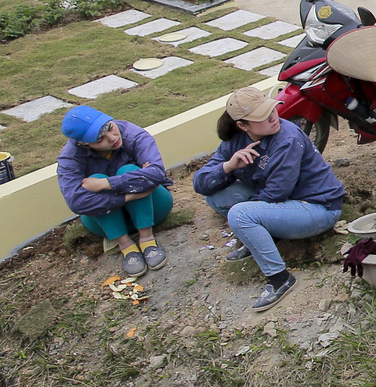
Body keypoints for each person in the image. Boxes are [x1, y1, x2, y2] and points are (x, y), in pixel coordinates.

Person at [192, 87, 348, 312]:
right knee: (216, 197)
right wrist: (229, 166)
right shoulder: (235, 141)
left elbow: (276, 193)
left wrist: (247, 215)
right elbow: (201, 184)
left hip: (317, 208)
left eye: (271, 110)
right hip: (282, 203)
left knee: (240, 215)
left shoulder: (287, 137)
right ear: (243, 126)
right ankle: (261, 237)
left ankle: (279, 278)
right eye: (262, 117)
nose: (273, 117)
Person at [56, 106, 173, 277]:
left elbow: (156, 174)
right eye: (100, 140)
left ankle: (147, 239)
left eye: (110, 127)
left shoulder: (133, 134)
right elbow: (76, 201)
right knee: (99, 180)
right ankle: (125, 245)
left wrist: (106, 184)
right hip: (105, 224)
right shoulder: (70, 158)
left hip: (153, 209)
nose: (112, 138)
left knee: (127, 170)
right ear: (84, 145)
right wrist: (129, 195)